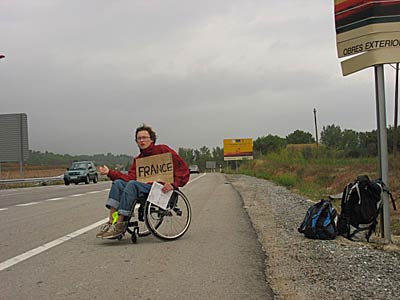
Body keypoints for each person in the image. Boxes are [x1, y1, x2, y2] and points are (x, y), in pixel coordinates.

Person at [96, 124, 190, 239]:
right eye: (139, 138)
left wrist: (174, 184)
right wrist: (110, 172)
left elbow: (182, 168)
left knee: (132, 185)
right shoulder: (138, 160)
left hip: (160, 189)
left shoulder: (163, 150)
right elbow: (129, 177)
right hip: (143, 189)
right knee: (118, 183)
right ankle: (111, 222)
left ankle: (119, 226)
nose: (142, 140)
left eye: (144, 137)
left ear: (151, 139)